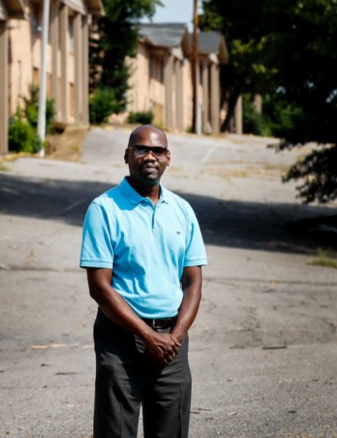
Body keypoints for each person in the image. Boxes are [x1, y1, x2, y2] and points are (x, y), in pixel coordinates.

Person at [80, 124, 207, 438]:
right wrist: (148, 337)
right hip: (121, 340)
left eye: (158, 150)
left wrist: (174, 338)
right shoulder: (104, 209)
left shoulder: (183, 211)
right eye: (141, 149)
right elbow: (99, 287)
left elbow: (193, 282)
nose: (150, 156)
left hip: (172, 345)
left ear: (167, 158)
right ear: (127, 155)